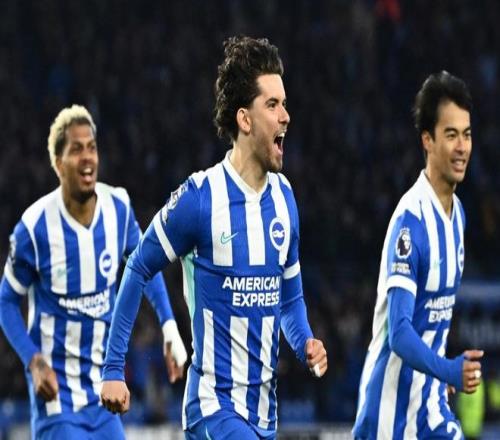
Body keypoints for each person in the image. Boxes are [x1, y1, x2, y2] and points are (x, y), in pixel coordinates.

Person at [100, 35, 328, 439]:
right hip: (213, 408)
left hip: (263, 415)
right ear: (245, 120)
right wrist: (113, 369)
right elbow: (138, 266)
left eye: (285, 104)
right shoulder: (200, 198)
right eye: (272, 105)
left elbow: (289, 302)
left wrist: (306, 342)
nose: (286, 116)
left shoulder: (285, 199)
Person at [0, 105, 187, 439]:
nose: (87, 157)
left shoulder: (118, 209)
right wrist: (34, 361)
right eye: (76, 149)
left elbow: (145, 265)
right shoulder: (35, 228)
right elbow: (6, 303)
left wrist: (169, 325)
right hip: (56, 400)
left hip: (102, 394)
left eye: (92, 147)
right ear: (58, 163)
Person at [353, 71, 483, 439]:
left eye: (467, 134)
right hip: (387, 418)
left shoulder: (457, 216)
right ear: (427, 140)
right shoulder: (411, 224)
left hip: (430, 409)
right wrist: (447, 369)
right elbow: (399, 332)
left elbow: (434, 317)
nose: (462, 147)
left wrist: (440, 375)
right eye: (451, 135)